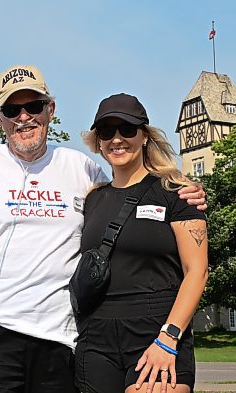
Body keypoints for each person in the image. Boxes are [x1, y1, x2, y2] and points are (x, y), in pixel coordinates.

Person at [0, 65, 206, 393]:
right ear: (0, 118)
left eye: (34, 107)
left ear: (50, 110)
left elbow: (128, 188)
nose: (24, 117)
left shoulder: (82, 169)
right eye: (13, 110)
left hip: (60, 337)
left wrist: (180, 187)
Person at [75, 93, 209, 393]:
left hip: (157, 332)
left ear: (145, 136)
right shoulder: (92, 199)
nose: (117, 139)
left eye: (127, 129)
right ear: (98, 141)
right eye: (107, 132)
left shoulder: (176, 191)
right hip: (96, 339)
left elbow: (197, 271)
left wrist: (169, 338)